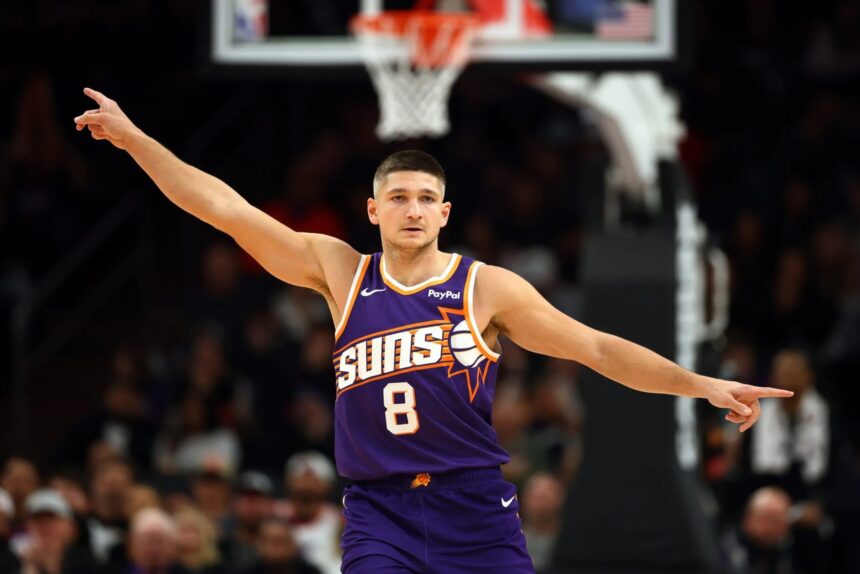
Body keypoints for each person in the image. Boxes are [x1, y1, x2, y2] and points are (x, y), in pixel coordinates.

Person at [75, 88, 795, 573]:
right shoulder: (341, 272)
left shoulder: (485, 288)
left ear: (445, 213)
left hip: (473, 506)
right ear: (373, 210)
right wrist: (136, 141)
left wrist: (701, 384)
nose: (413, 209)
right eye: (398, 197)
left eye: (426, 198)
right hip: (377, 509)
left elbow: (597, 347)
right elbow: (224, 209)